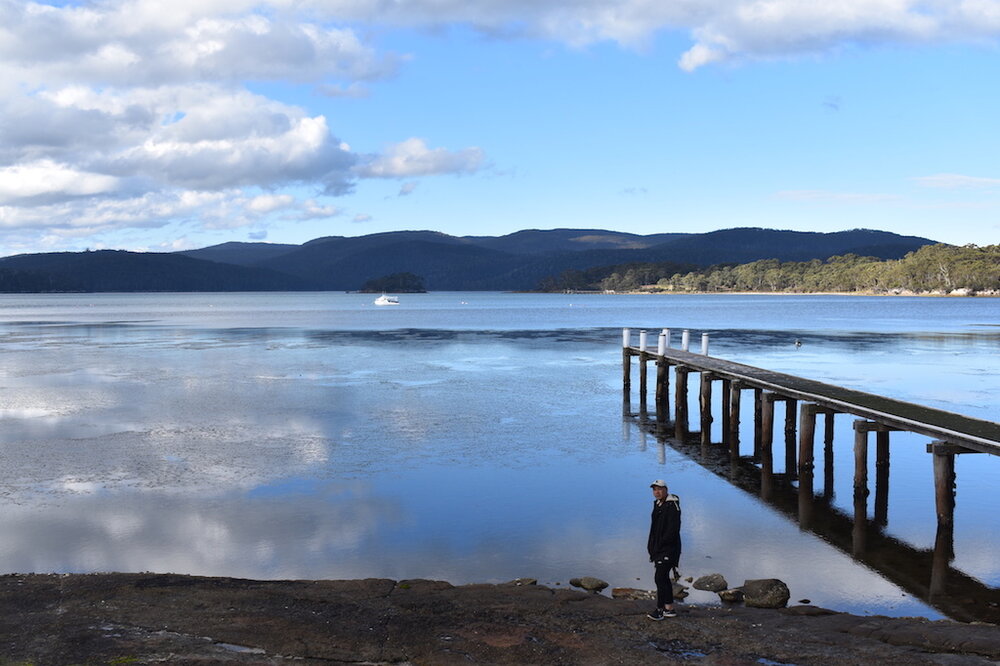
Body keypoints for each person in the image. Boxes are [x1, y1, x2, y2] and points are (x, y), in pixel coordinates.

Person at [646, 479, 681, 620]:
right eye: (654, 489)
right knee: (664, 578)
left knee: (659, 578)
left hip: (668, 549)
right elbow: (655, 528)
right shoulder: (658, 504)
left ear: (666, 489)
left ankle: (660, 610)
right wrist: (652, 546)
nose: (657, 492)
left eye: (659, 489)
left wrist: (661, 546)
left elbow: (673, 530)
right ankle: (669, 609)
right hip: (659, 548)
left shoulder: (672, 506)